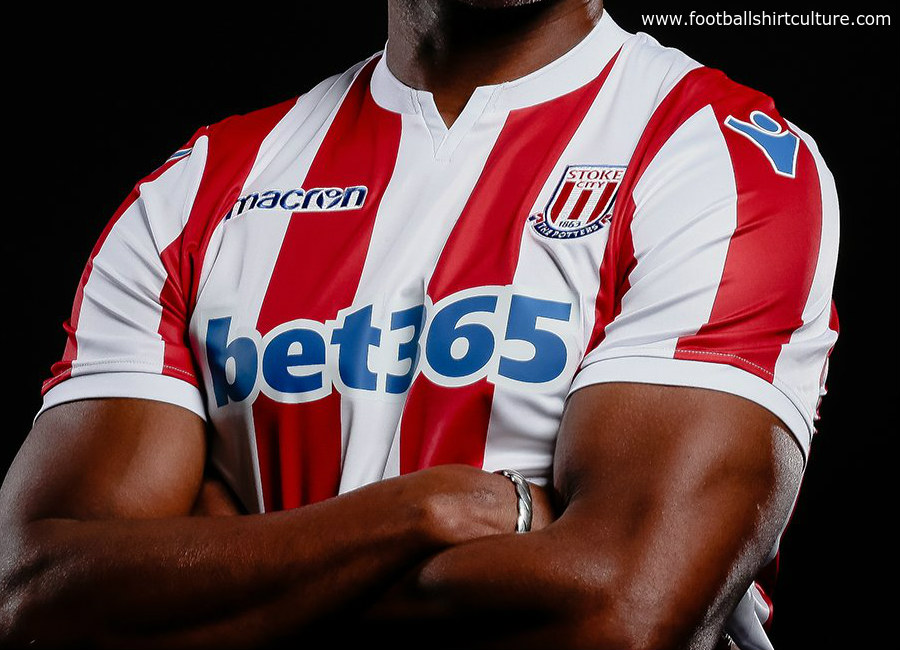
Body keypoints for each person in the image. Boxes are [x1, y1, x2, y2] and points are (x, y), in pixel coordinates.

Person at [0, 1, 838, 648]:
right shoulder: (198, 191)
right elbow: (36, 592)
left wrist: (233, 570)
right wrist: (426, 509)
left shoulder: (718, 159)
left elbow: (622, 611)